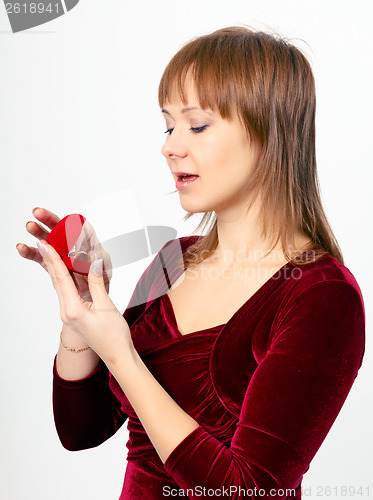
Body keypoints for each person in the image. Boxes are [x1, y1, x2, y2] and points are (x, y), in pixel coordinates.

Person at [16, 26, 365, 500]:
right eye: (168, 125)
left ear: (270, 131)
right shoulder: (172, 260)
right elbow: (82, 431)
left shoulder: (322, 296)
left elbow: (249, 490)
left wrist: (120, 353)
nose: (170, 146)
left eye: (197, 125)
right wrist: (79, 314)